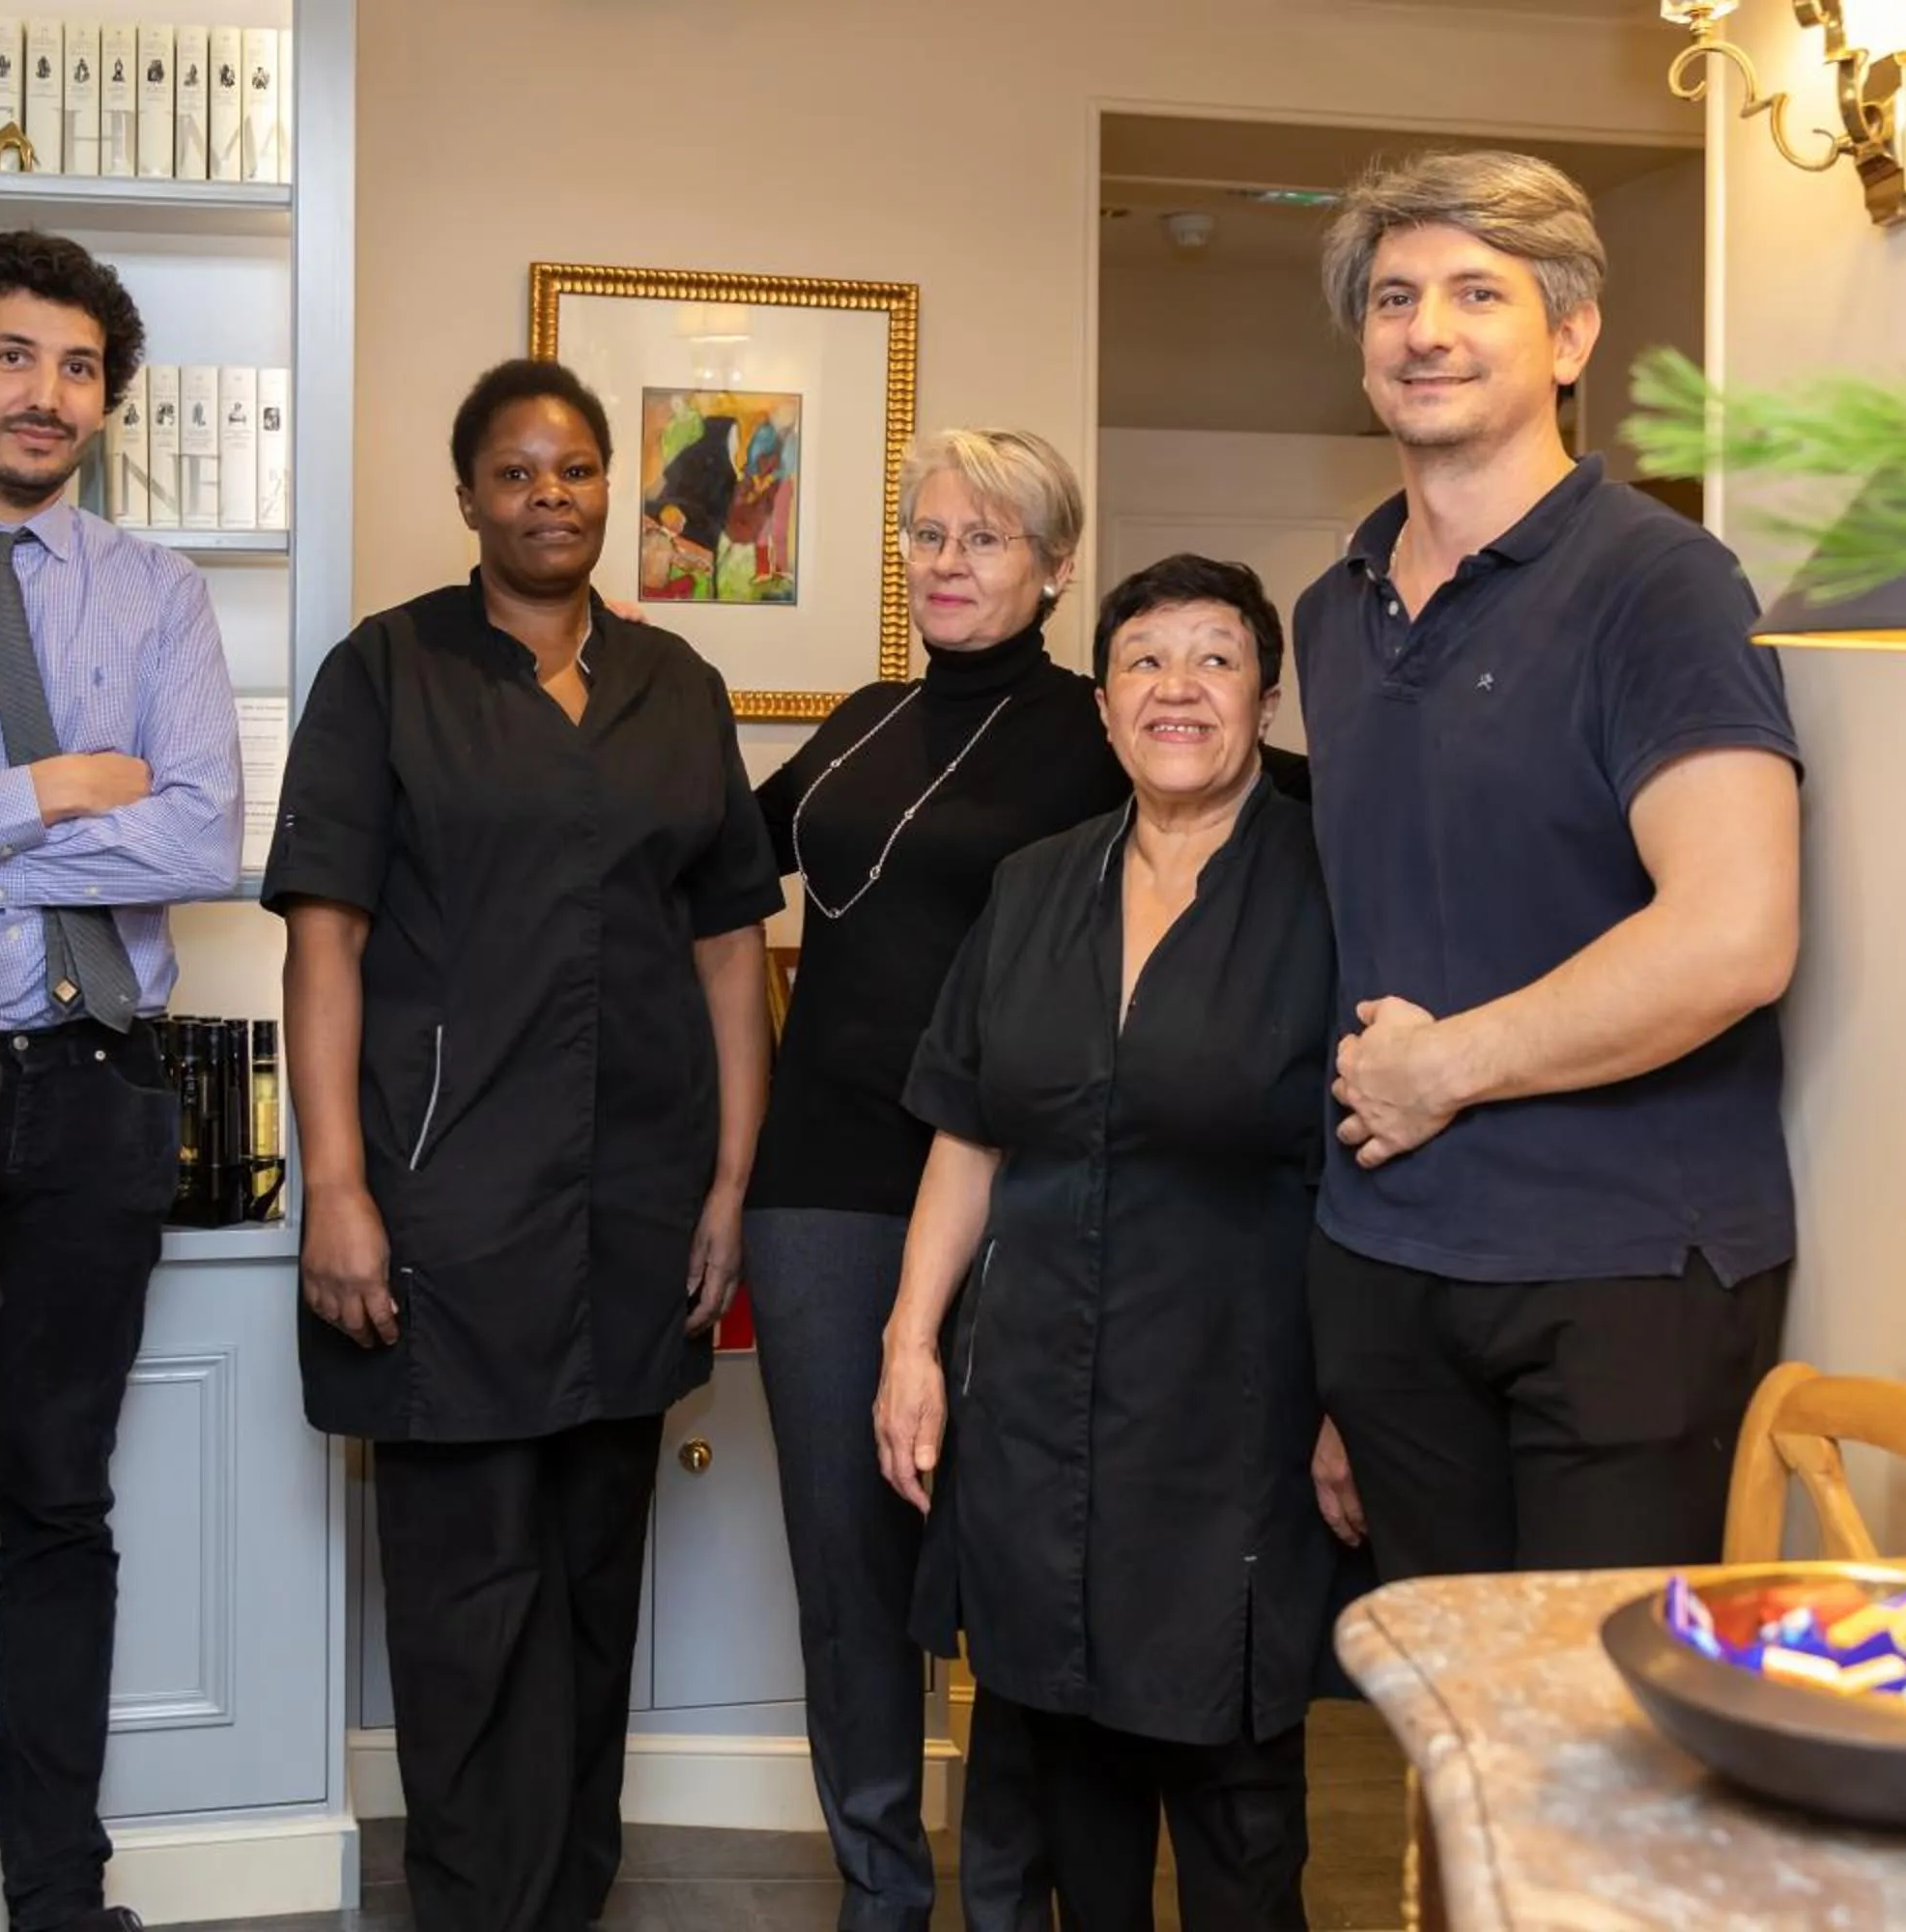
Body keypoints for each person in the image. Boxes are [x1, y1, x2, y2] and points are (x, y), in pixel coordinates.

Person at [262, 357, 780, 1932]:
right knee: (465, 1604)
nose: (547, 497)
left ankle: (569, 1902)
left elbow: (729, 957)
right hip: (444, 1212)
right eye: (514, 472)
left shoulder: (677, 687)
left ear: (614, 484)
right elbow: (324, 944)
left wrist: (731, 1182)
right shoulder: (387, 673)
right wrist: (338, 1188)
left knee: (590, 1597)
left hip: (634, 1215)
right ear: (468, 493)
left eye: (574, 471)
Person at [1294, 150, 1803, 1581]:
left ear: (1570, 337)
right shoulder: (1329, 612)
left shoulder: (1663, 581)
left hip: (1623, 1271)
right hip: (1387, 1264)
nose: (1425, 330)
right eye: (1394, 298)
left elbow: (1735, 935)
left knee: (1599, 1746)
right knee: (1445, 1735)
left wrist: (1446, 1066)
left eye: (1475, 293)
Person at [0, 229, 242, 1932]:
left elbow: (210, 834)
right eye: (14, 357)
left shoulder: (157, 588)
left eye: (79, 368)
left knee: (59, 1502)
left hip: (100, 1089)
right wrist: (66, 790)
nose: (46, 394)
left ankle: (57, 1894)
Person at [875, 554, 1344, 1932]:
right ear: (1102, 705)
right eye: (1144, 659)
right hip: (1029, 1411)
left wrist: (1357, 1408)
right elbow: (967, 1131)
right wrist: (911, 1346)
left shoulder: (1332, 882)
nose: (1177, 687)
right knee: (1051, 1793)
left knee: (1234, 1815)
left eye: (1213, 656)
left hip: (1232, 1418)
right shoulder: (1032, 887)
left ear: (1267, 693)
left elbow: (1376, 1169)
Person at [745, 426, 1124, 1932]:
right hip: (820, 1183)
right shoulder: (858, 719)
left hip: (1016, 1193)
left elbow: (1262, 827)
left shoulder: (1105, 728)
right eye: (924, 533)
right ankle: (879, 1888)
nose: (947, 561)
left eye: (986, 537)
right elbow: (712, 856)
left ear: (1054, 567)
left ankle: (1008, 1890)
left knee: (1013, 1554)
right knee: (846, 1564)